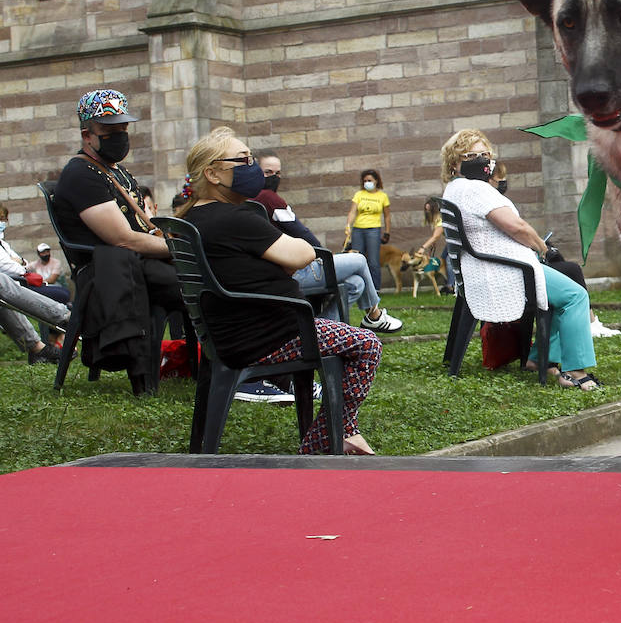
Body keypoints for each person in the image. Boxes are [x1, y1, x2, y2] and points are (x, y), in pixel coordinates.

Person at [175, 127, 380, 454]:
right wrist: (288, 256)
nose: (250, 166)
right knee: (367, 343)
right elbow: (303, 253)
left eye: (251, 158)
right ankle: (324, 442)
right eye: (241, 160)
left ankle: (342, 432)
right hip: (273, 334)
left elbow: (250, 267)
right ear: (212, 173)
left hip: (231, 334)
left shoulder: (195, 217)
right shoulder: (235, 218)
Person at [440, 128, 602, 390]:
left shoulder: (455, 188)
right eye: (471, 155)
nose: (481, 160)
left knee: (567, 280)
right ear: (454, 163)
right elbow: (516, 227)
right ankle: (574, 371)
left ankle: (538, 359)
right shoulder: (475, 190)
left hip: (489, 267)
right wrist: (542, 248)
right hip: (506, 271)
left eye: (485, 154)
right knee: (575, 296)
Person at [52, 89, 186, 394]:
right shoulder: (81, 174)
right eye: (109, 131)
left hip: (136, 263)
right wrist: (179, 249)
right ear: (88, 135)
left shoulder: (117, 172)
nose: (120, 136)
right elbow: (123, 239)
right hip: (108, 272)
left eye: (123, 129)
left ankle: (208, 361)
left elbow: (141, 226)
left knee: (202, 274)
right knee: (193, 281)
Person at [254, 154, 401, 331]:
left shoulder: (251, 199)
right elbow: (301, 231)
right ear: (256, 171)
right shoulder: (268, 198)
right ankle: (374, 315)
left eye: (278, 173)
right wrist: (325, 255)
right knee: (359, 260)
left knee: (356, 283)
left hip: (281, 273)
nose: (274, 177)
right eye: (268, 172)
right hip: (291, 274)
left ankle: (321, 328)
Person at [1, 206, 69, 307]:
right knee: (61, 295)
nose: (45, 254)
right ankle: (64, 318)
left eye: (47, 251)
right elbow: (15, 269)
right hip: (15, 286)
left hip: (25, 283)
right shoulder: (36, 263)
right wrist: (21, 265)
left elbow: (25, 264)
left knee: (63, 292)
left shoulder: (4, 244)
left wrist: (20, 262)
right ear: (38, 253)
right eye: (42, 252)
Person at [344, 168, 391, 292]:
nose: (367, 183)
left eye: (369, 180)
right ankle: (357, 287)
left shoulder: (382, 196)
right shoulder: (359, 194)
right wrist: (348, 225)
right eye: (365, 181)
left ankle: (375, 288)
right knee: (356, 258)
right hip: (358, 229)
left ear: (376, 181)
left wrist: (387, 231)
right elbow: (353, 211)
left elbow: (387, 215)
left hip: (373, 229)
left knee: (373, 260)